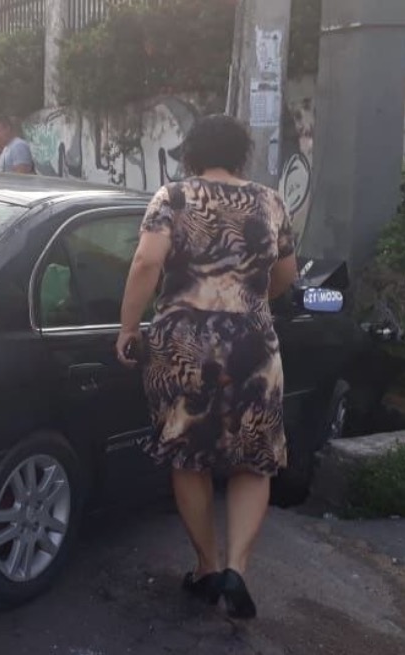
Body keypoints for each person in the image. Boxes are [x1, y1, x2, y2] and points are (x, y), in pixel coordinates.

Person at [116, 114, 298, 619]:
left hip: (184, 344)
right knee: (253, 458)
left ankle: (206, 566)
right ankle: (238, 570)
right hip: (254, 346)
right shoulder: (270, 200)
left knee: (188, 455)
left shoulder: (172, 198)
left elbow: (146, 263)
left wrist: (129, 328)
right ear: (241, 154)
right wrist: (250, 306)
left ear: (191, 152)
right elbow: (285, 274)